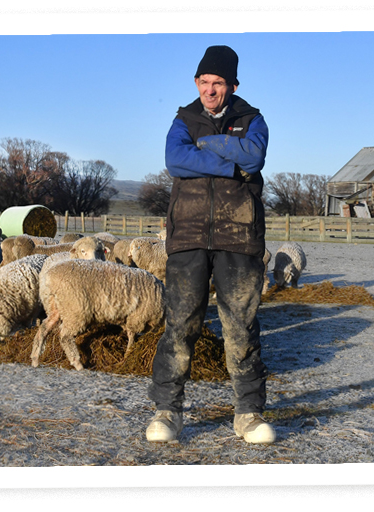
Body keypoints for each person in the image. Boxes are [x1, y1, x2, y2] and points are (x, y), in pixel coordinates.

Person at [146, 45, 273, 444]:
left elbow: (253, 158)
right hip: (188, 235)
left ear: (233, 85)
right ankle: (167, 412)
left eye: (218, 83)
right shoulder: (183, 120)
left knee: (241, 325)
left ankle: (248, 414)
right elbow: (174, 159)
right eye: (205, 82)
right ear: (197, 82)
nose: (211, 90)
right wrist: (228, 159)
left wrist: (205, 146)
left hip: (239, 235)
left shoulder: (252, 119)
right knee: (180, 324)